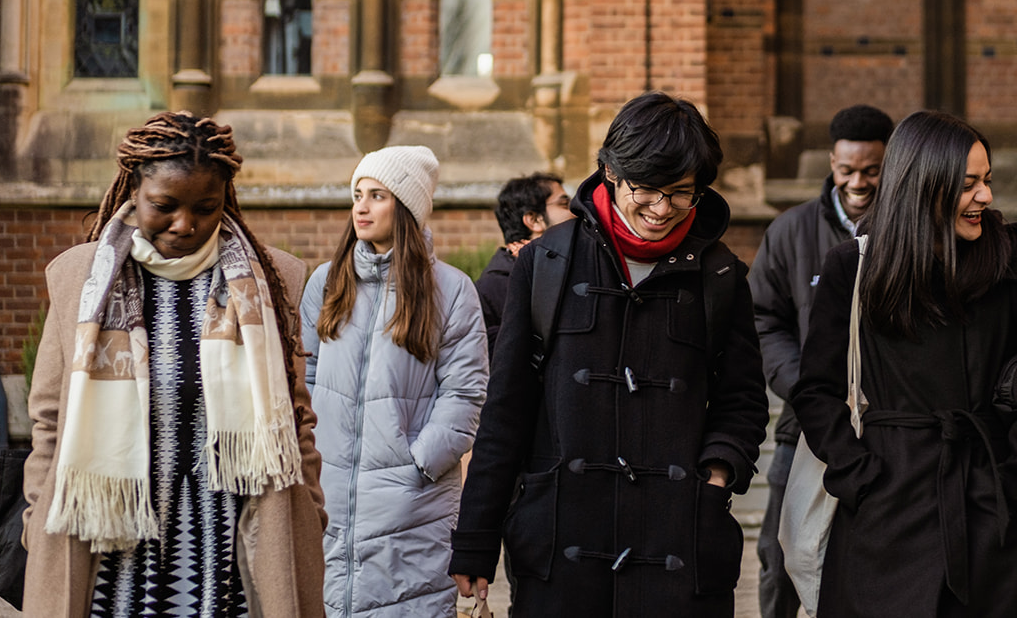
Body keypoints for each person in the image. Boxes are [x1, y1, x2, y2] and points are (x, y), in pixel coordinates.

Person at [450, 92, 769, 616]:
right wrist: (476, 537)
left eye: (681, 193)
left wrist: (715, 478)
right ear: (609, 173)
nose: (661, 210)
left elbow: (743, 401)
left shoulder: (719, 275)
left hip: (678, 547)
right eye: (646, 189)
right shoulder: (546, 263)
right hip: (563, 545)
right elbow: (506, 410)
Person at [21, 112, 325, 618]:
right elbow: (48, 419)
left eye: (205, 208)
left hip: (234, 547)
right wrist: (37, 516)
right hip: (107, 548)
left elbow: (297, 419)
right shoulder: (78, 280)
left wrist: (311, 513)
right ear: (133, 192)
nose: (185, 224)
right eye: (164, 206)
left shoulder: (275, 280)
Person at [792, 110, 1017, 617]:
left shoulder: (1012, 259)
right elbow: (816, 391)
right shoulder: (854, 265)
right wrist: (859, 479)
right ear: (924, 184)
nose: (985, 197)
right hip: (883, 514)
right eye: (968, 185)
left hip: (989, 506)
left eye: (987, 181)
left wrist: (1016, 486)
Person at [301, 145, 490, 618]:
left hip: (411, 508)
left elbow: (464, 392)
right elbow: (299, 378)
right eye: (357, 194)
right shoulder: (326, 283)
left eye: (377, 195)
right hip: (327, 495)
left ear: (404, 206)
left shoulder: (450, 289)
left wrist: (418, 466)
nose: (360, 207)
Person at [748, 103, 892, 618]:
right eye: (846, 170)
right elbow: (763, 320)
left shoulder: (908, 236)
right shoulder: (789, 232)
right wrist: (807, 387)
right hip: (806, 421)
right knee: (780, 549)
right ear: (831, 162)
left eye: (871, 171)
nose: (858, 182)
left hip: (889, 422)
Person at [477, 172, 574, 355]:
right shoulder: (492, 289)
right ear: (534, 220)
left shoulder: (570, 269)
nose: (575, 211)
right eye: (564, 204)